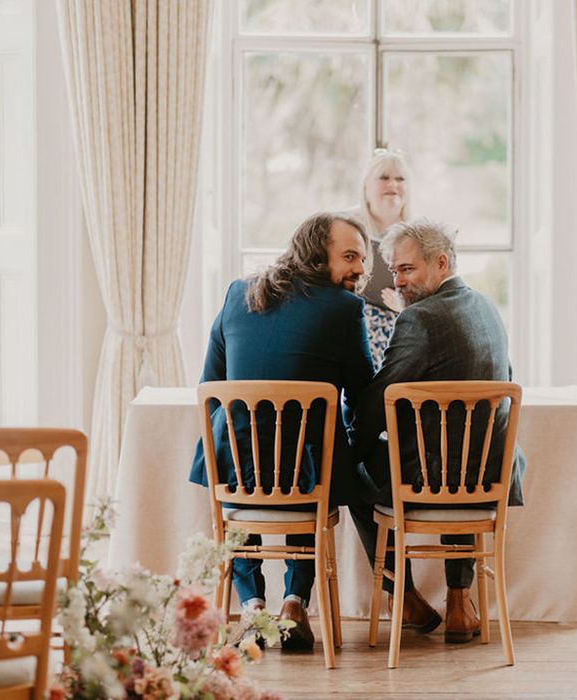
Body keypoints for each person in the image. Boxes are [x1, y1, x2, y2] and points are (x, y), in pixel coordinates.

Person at [189, 212, 374, 650]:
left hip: (236, 474)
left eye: (362, 259)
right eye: (350, 256)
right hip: (306, 476)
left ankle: (251, 605)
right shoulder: (345, 310)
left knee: (251, 449)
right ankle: (294, 602)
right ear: (315, 253)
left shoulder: (238, 294)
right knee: (311, 455)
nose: (361, 270)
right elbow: (363, 394)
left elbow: (210, 387)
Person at [349, 217, 527, 644]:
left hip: (436, 478)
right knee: (452, 452)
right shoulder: (487, 308)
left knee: (348, 470)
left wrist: (352, 435)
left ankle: (404, 595)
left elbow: (378, 401)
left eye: (406, 269)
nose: (398, 281)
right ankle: (460, 600)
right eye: (393, 271)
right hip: (489, 475)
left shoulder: (420, 320)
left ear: (441, 262)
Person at [350, 149, 411, 370]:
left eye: (400, 179)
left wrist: (407, 306)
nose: (393, 185)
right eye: (384, 177)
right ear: (366, 187)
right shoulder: (344, 226)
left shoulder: (419, 234)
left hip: (403, 321)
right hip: (356, 317)